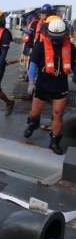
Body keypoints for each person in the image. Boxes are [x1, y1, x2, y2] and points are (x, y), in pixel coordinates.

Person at [23, 19, 76, 155]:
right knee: (35, 113)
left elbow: (74, 64)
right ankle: (33, 123)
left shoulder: (71, 47)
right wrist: (31, 83)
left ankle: (54, 141)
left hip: (60, 85)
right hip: (43, 84)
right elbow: (33, 65)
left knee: (58, 114)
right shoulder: (40, 46)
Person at [16, 7, 39, 81]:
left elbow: (31, 33)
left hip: (31, 43)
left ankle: (29, 75)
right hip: (28, 43)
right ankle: (27, 73)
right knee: (27, 58)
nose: (27, 17)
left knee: (29, 59)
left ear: (32, 14)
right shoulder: (31, 22)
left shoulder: (35, 23)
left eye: (28, 15)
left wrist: (22, 29)